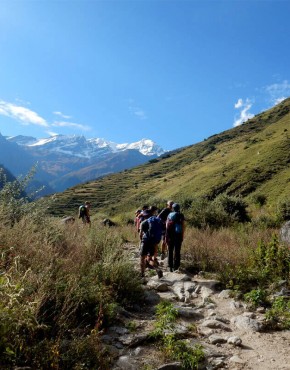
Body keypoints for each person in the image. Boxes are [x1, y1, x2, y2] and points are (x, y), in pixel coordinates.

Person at [139, 206, 163, 278]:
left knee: (142, 258)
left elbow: (140, 234)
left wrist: (141, 241)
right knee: (149, 258)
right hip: (153, 241)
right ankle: (157, 269)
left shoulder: (143, 223)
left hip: (145, 241)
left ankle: (142, 274)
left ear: (145, 215)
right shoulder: (157, 220)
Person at [165, 203, 185, 272]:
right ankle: (176, 267)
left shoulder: (169, 215)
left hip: (170, 235)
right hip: (178, 235)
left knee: (170, 250)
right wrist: (182, 235)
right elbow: (183, 226)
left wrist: (166, 235)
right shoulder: (181, 215)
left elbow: (167, 225)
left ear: (173, 208)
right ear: (179, 208)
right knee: (177, 251)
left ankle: (169, 266)